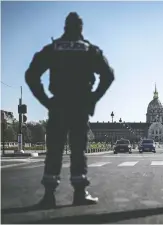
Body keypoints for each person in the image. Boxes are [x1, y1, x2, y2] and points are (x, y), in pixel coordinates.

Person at [25, 12, 115, 208]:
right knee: (78, 150)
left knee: (54, 150)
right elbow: (108, 75)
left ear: (65, 27)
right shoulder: (89, 50)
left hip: (58, 104)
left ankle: (49, 195)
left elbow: (31, 74)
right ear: (81, 29)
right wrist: (93, 98)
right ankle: (79, 193)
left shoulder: (53, 48)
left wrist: (45, 100)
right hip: (80, 104)